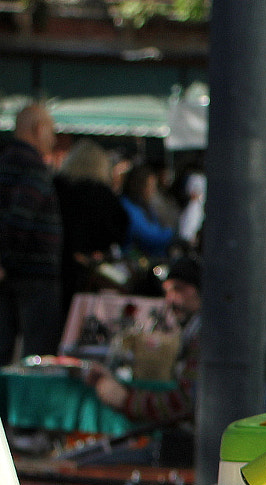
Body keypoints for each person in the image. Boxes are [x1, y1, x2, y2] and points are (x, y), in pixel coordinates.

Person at [82, 255, 202, 465]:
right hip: (187, 445)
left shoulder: (205, 334)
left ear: (201, 288)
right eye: (167, 292)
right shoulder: (193, 332)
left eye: (179, 289)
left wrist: (125, 399)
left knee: (94, 464)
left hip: (194, 450)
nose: (170, 300)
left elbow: (184, 403)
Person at [0, 103, 62, 362]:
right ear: (38, 129)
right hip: (32, 275)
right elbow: (21, 216)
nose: (54, 138)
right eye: (51, 129)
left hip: (11, 273)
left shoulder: (5, 161)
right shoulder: (31, 166)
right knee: (38, 358)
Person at [54, 139, 129, 315]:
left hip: (56, 267)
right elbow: (119, 231)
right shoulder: (103, 195)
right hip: (88, 272)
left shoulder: (57, 187)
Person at [120, 163, 176, 260]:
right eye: (150, 186)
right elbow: (147, 236)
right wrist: (173, 235)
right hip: (135, 261)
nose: (153, 191)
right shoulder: (128, 207)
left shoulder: (143, 205)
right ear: (140, 186)